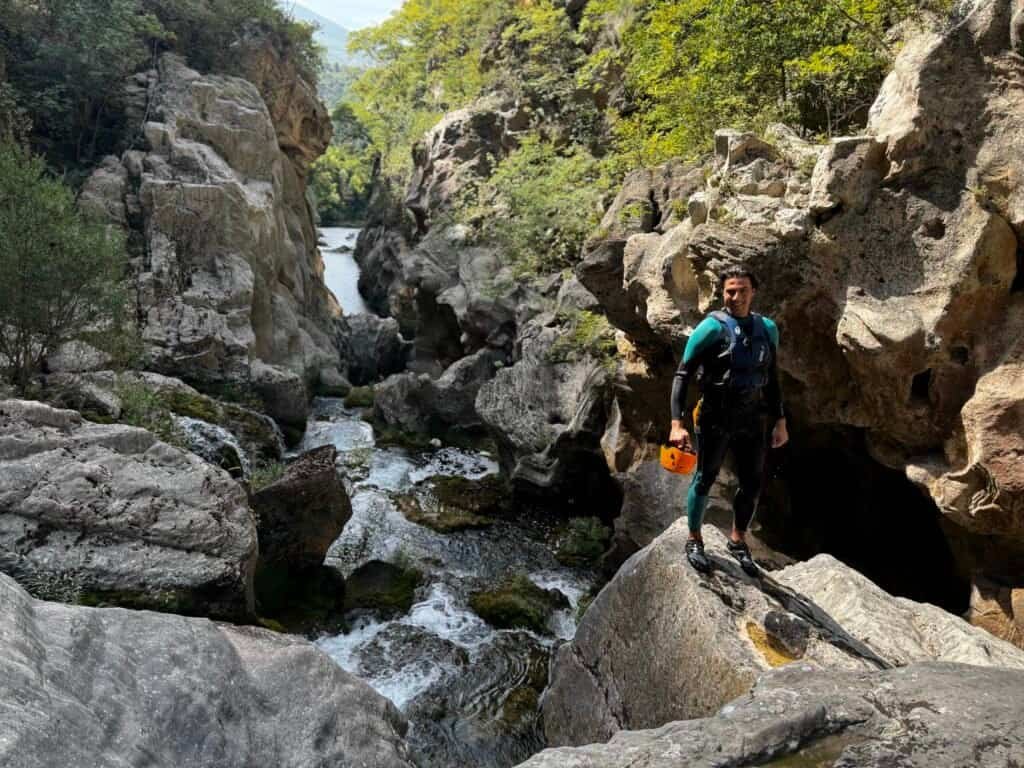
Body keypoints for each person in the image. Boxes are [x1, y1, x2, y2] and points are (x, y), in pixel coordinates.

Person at [668, 265, 788, 576]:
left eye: (742, 290)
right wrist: (676, 424)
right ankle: (694, 539)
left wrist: (780, 421)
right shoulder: (710, 328)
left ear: (753, 292)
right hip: (714, 416)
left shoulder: (767, 329)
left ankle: (738, 541)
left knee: (751, 483)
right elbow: (682, 374)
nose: (736, 297)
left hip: (752, 417)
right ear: (723, 293)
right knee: (705, 478)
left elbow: (772, 379)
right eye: (730, 291)